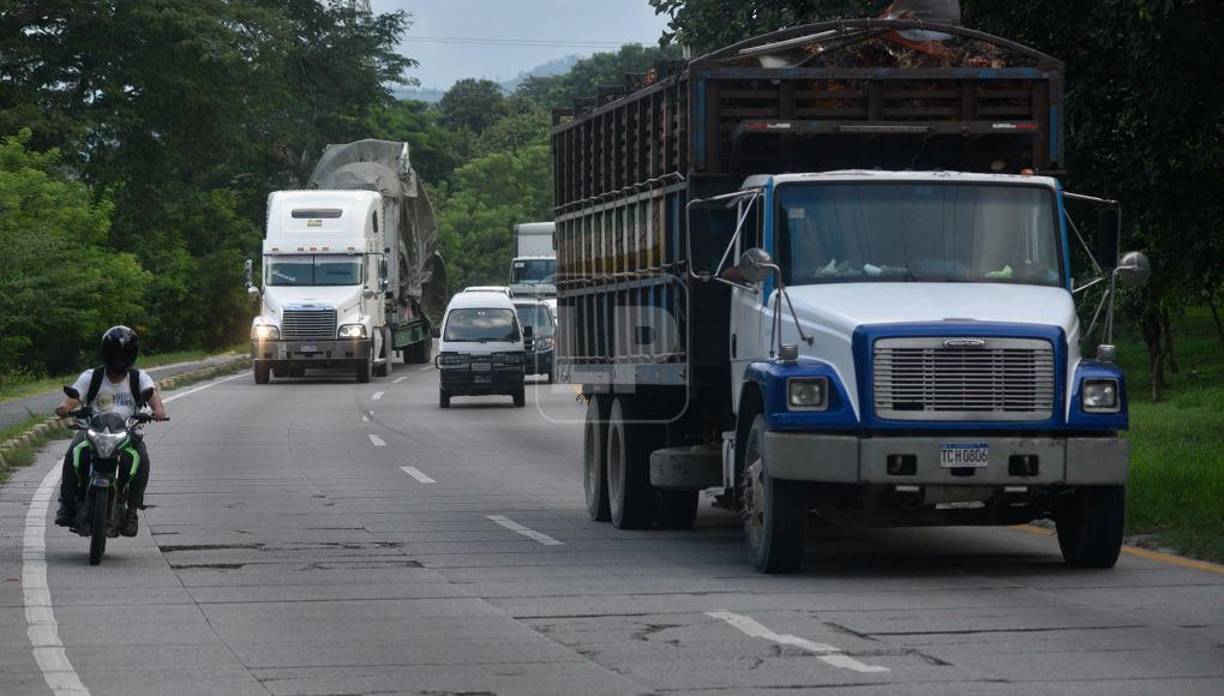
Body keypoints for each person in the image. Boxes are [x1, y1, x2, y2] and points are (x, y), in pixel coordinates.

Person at [53, 326, 168, 535]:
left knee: (142, 459)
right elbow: (74, 396)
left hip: (128, 434)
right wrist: (65, 408)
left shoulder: (138, 378)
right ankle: (66, 505)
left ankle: (132, 510)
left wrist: (158, 410)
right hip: (93, 433)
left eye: (123, 354)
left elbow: (152, 396)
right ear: (106, 353)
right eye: (115, 353)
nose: (119, 359)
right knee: (73, 453)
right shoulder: (93, 376)